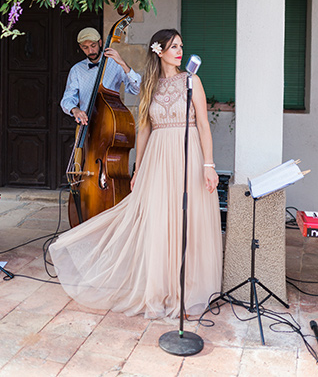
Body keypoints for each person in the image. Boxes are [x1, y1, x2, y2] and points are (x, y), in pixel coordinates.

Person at [50, 29, 222, 319]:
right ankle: (161, 288)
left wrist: (209, 165)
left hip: (187, 153)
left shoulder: (192, 81)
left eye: (181, 45)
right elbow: (143, 128)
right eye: (173, 46)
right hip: (157, 156)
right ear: (159, 51)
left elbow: (204, 125)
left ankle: (189, 290)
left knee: (187, 220)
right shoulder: (150, 86)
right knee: (157, 221)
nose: (180, 51)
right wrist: (138, 165)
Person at [61, 27, 142, 125]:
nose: (90, 51)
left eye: (93, 45)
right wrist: (75, 109)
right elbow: (67, 99)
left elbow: (138, 89)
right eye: (85, 47)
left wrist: (123, 64)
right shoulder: (76, 70)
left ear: (100, 43)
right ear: (80, 47)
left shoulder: (115, 64)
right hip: (87, 125)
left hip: (110, 123)